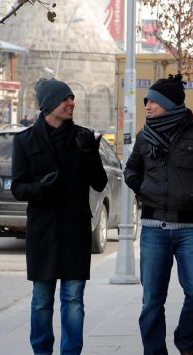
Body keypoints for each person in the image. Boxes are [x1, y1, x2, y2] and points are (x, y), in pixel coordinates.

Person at [124, 74, 193, 355]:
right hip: (152, 227)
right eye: (146, 101)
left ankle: (185, 343)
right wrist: (141, 187)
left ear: (169, 104)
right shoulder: (144, 135)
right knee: (152, 300)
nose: (146, 106)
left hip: (192, 227)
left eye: (152, 101)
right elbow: (131, 170)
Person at [11, 78, 107, 355]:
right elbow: (18, 188)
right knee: (41, 301)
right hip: (42, 233)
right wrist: (41, 188)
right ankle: (41, 351)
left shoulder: (84, 137)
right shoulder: (24, 140)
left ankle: (70, 352)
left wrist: (90, 156)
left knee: (73, 298)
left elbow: (100, 183)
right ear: (49, 105)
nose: (71, 103)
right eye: (65, 99)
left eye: (72, 98)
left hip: (75, 230)